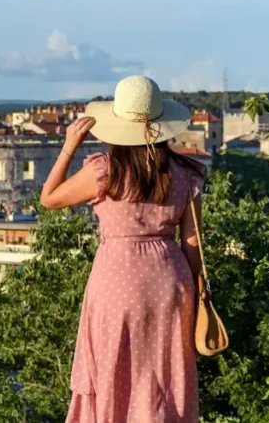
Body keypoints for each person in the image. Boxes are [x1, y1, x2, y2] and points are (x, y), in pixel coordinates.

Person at [40, 75, 206, 422]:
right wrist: (200, 290)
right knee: (165, 370)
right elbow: (192, 241)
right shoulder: (185, 172)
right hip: (171, 283)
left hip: (116, 279)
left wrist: (69, 146)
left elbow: (49, 198)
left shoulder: (104, 170)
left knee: (114, 364)